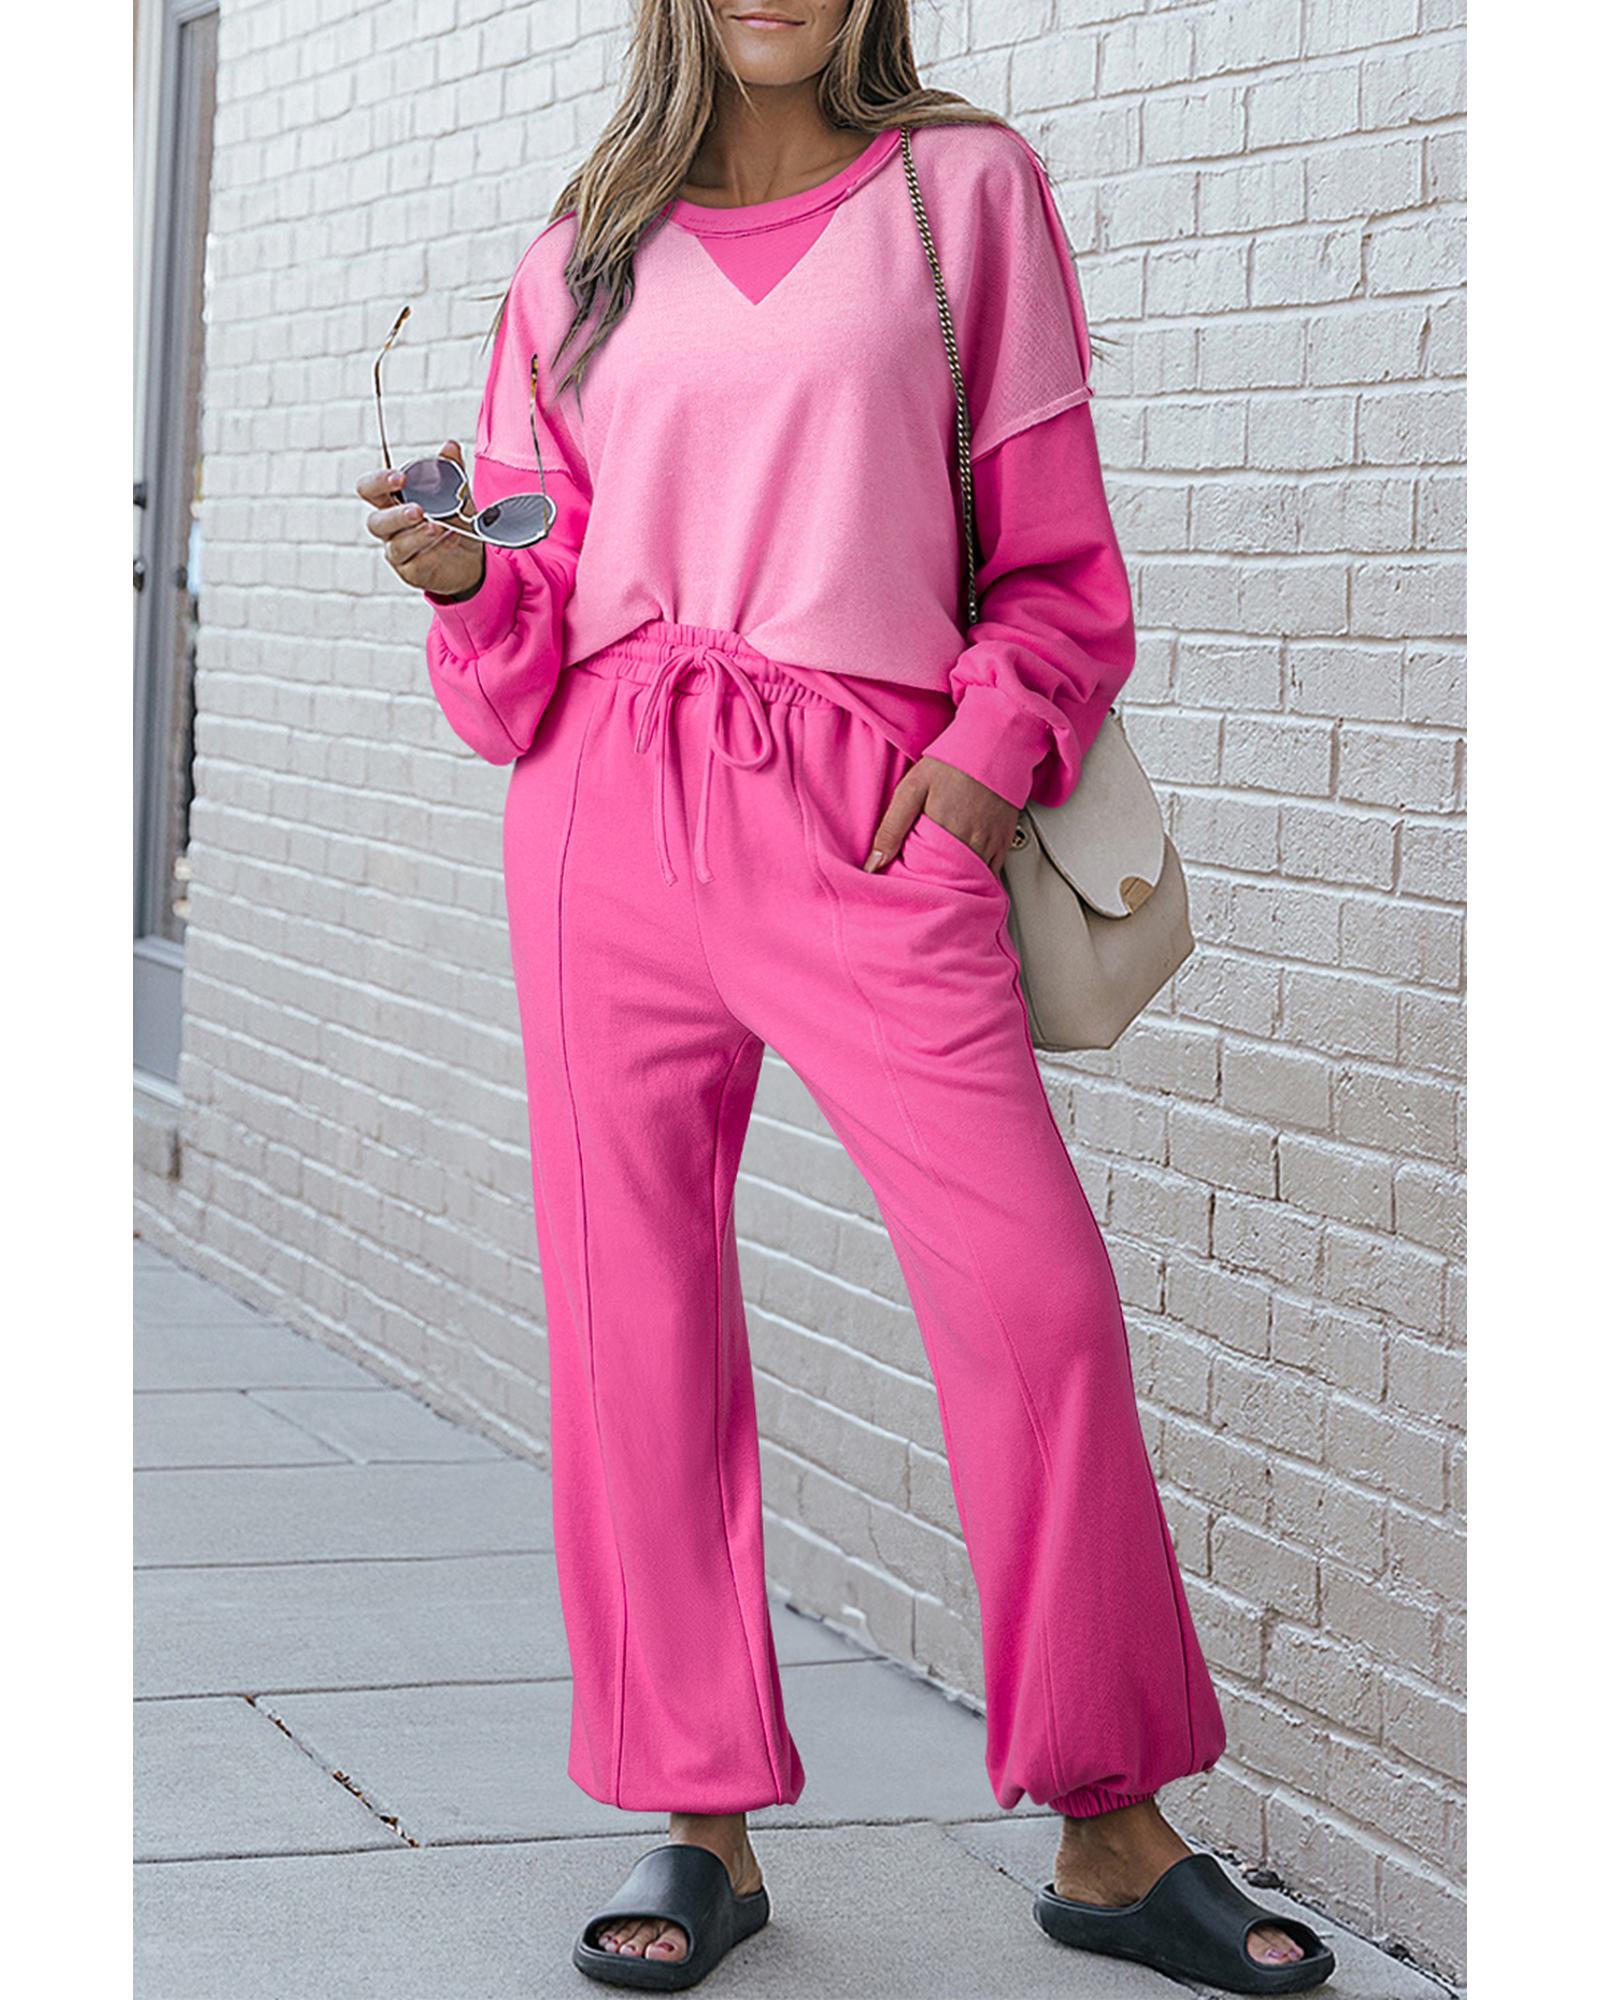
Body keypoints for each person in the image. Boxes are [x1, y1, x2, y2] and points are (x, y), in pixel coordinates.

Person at [357, 3, 1335, 1992]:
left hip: (871, 810)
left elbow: (1056, 563)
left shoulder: (963, 195)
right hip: (603, 813)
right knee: (633, 1318)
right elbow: (525, 619)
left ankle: (1110, 1821)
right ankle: (694, 1811)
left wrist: (979, 769)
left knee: (1034, 1300)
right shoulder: (578, 258)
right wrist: (462, 581)